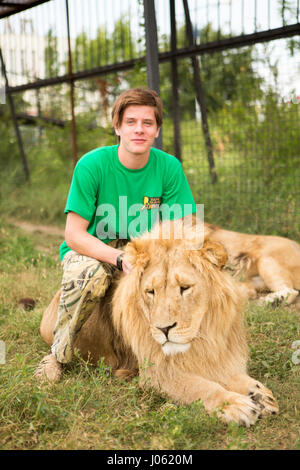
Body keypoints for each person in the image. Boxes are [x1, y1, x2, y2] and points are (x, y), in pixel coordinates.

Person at [35, 87, 197, 383]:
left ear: (157, 129)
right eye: (131, 122)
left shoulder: (169, 168)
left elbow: (184, 227)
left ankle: (173, 352)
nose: (139, 129)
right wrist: (119, 258)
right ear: (117, 127)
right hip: (94, 249)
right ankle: (56, 355)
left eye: (147, 123)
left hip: (146, 250)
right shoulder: (92, 165)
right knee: (90, 277)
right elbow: (74, 234)